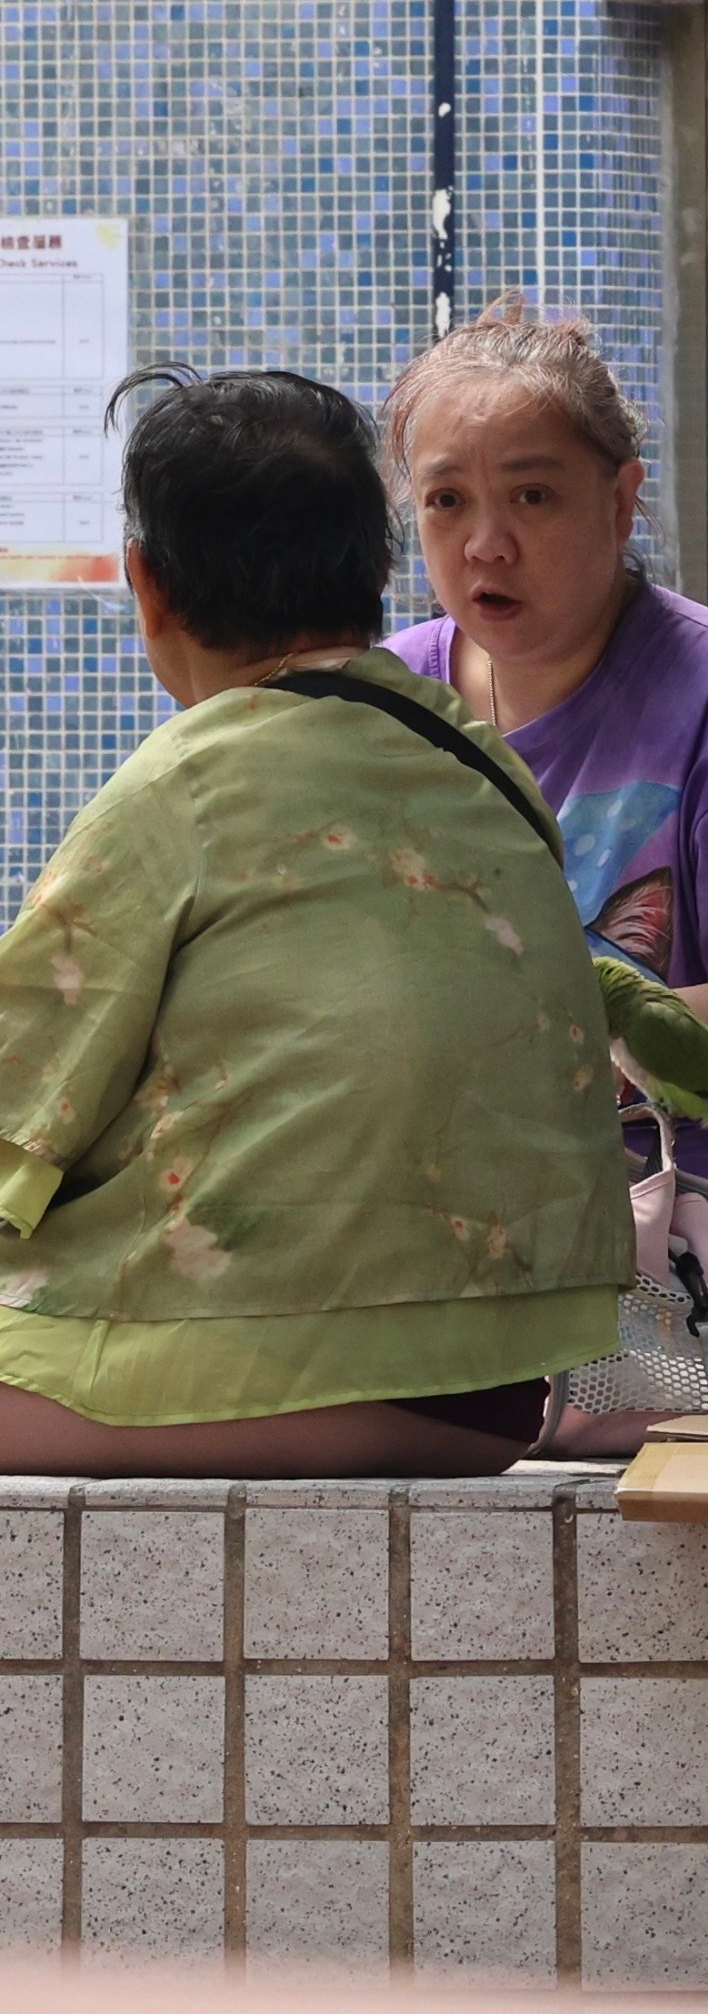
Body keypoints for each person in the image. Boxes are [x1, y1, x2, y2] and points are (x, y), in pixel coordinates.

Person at [0, 370, 631, 1475]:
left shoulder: (183, 785)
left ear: (149, 587)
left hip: (242, 1373)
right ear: (379, 572)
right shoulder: (487, 770)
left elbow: (20, 1097)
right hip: (497, 1388)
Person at [385, 297, 708, 1318]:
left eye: (532, 496)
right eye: (446, 502)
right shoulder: (388, 705)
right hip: (476, 1268)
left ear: (622, 500)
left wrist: (560, 1056)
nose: (486, 543)